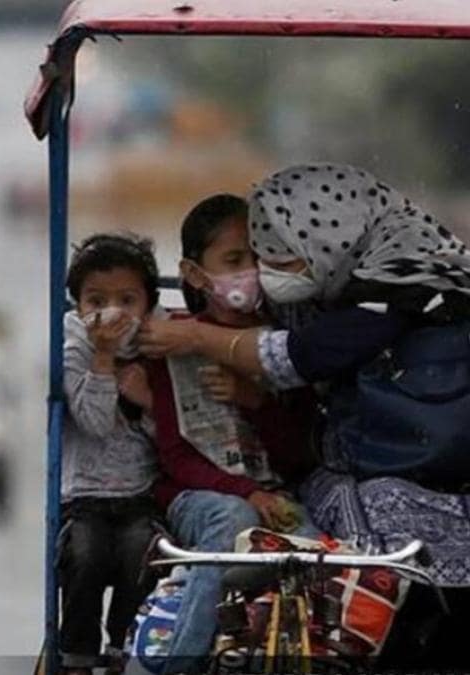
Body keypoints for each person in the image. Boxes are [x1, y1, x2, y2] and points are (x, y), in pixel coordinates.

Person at [138, 164, 470, 661]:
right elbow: (174, 450)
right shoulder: (331, 290)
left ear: (327, 237)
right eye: (246, 259)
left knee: (336, 536)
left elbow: (300, 362)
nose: (263, 274)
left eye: (272, 258)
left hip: (415, 467)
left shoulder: (397, 285)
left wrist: (221, 362)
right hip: (273, 484)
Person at [143, 194, 321, 669]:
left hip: (273, 493)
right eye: (235, 260)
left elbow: (299, 454)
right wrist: (248, 493)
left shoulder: (281, 346)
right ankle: (181, 661)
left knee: (312, 545)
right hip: (200, 496)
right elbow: (175, 457)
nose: (252, 271)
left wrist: (255, 401)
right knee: (232, 518)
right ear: (195, 274)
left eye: (259, 258)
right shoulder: (171, 344)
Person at [58, 233, 162, 675]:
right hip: (83, 497)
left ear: (148, 304)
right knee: (85, 556)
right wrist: (102, 357)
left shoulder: (161, 351)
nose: (112, 312)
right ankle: (77, 656)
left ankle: (124, 646)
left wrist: (148, 400)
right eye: (96, 301)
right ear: (78, 305)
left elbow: (176, 435)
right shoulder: (74, 350)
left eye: (127, 300)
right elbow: (95, 422)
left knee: (141, 554)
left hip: (141, 495)